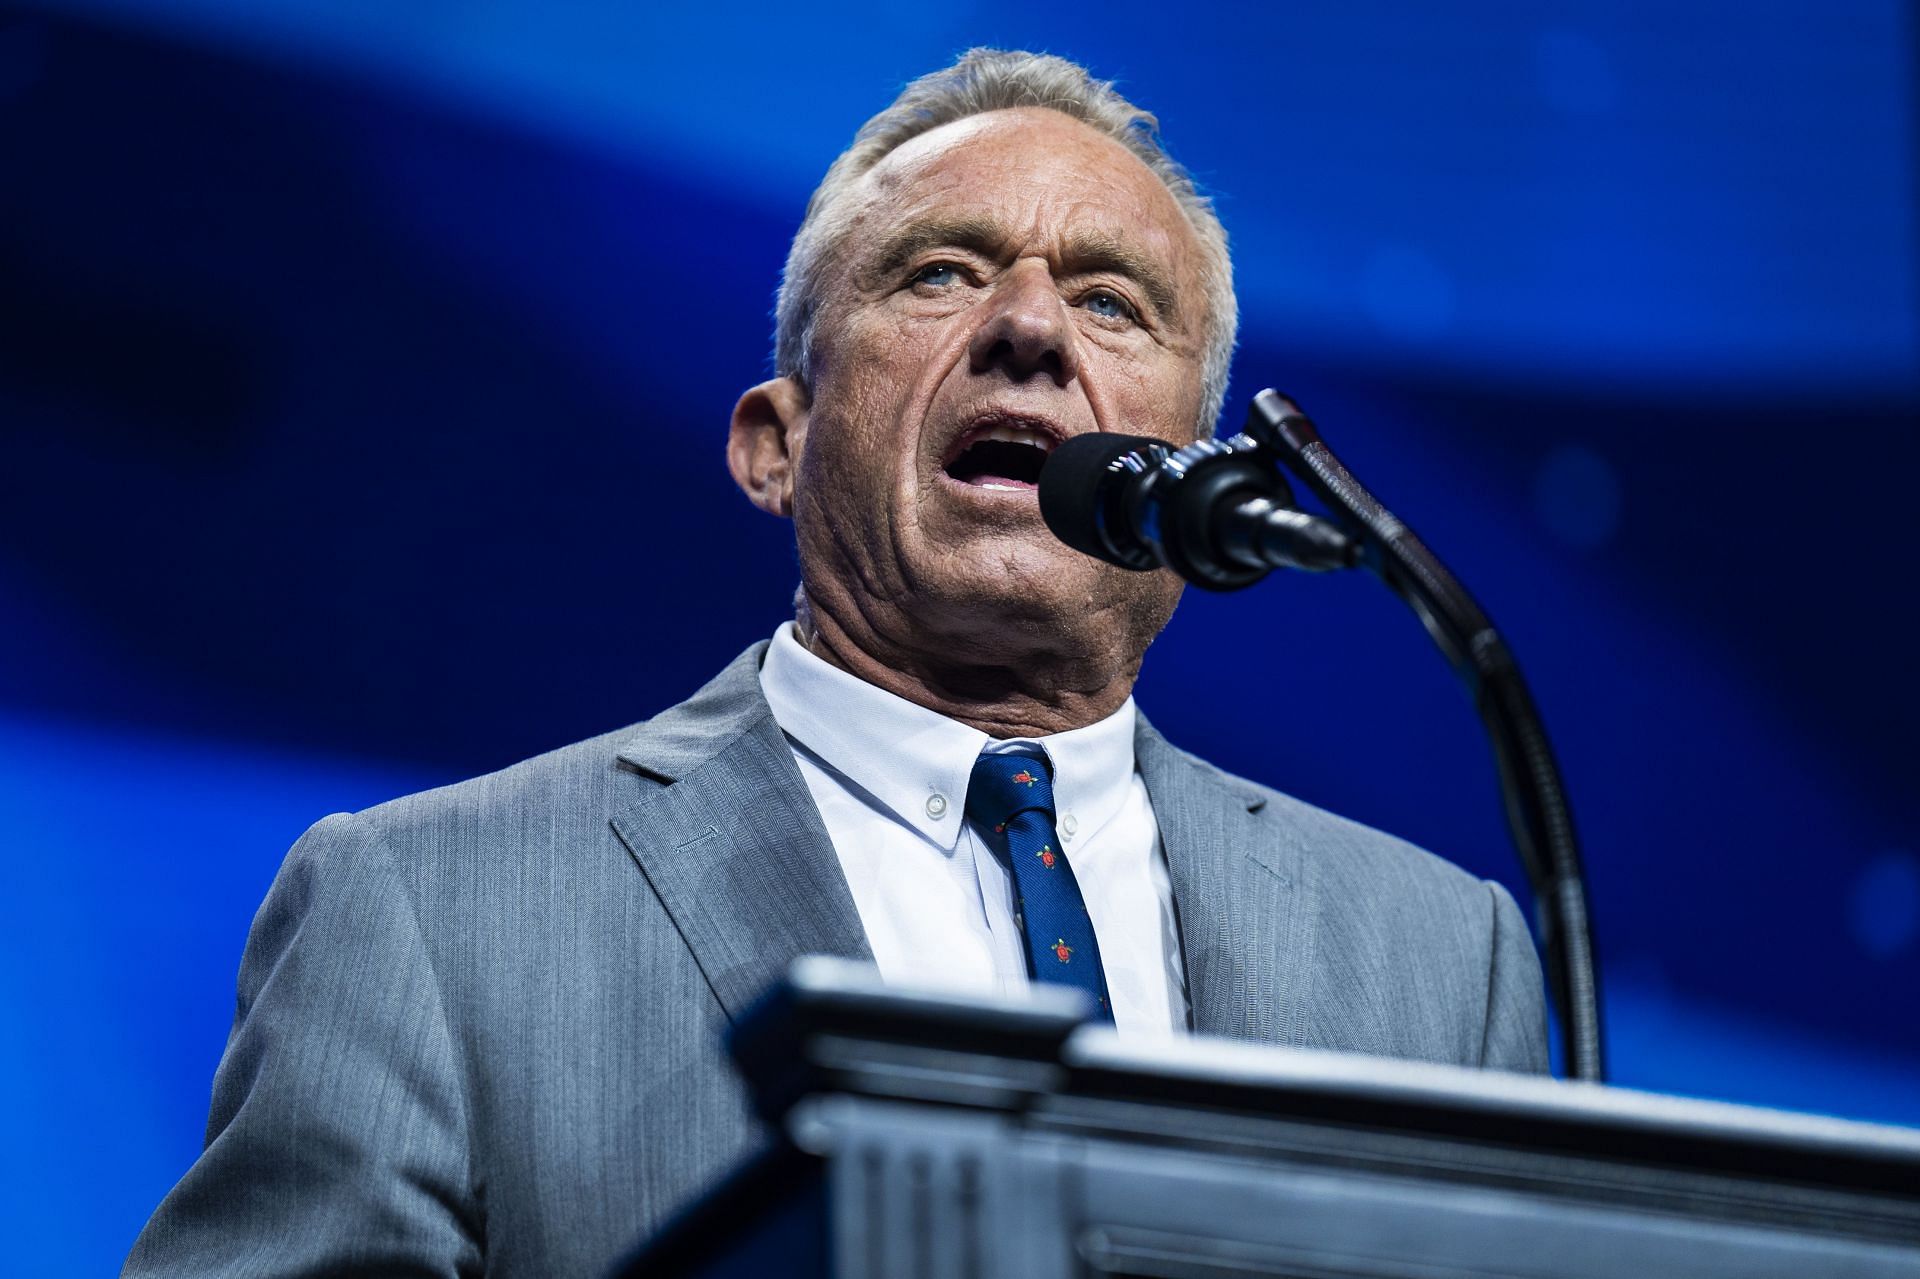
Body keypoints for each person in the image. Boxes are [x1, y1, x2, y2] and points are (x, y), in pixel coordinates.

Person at [126, 48, 1547, 1278]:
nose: (1033, 329)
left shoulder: (1440, 963)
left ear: (1193, 471)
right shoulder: (429, 917)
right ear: (777, 445)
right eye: (940, 273)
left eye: (1116, 305)